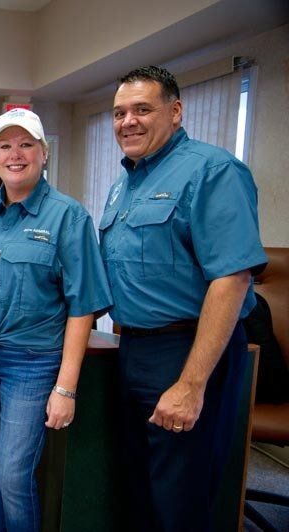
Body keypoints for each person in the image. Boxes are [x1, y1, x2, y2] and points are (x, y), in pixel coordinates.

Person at [98, 65, 267, 532]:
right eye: (119, 113)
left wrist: (192, 384)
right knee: (137, 491)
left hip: (189, 350)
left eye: (142, 110)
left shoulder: (212, 170)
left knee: (180, 500)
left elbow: (231, 279)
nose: (127, 121)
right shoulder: (123, 184)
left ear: (175, 112)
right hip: (132, 348)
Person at [0, 108, 112, 532]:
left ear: (44, 152)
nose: (15, 154)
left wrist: (66, 387)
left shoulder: (68, 217)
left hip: (32, 365)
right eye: (5, 145)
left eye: (26, 144)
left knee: (16, 475)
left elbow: (83, 307)